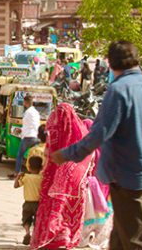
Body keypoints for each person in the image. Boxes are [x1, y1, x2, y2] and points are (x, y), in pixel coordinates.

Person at [52, 41, 142, 250]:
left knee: (136, 238)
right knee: (121, 234)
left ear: (110, 63)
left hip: (125, 177)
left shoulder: (118, 91)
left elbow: (100, 133)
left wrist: (68, 154)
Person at [31, 103, 94, 249]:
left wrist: (46, 174)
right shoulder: (81, 133)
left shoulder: (56, 129)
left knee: (56, 208)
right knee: (71, 210)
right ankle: (67, 238)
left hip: (59, 177)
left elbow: (49, 154)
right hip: (78, 179)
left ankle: (53, 238)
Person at [16, 155, 44, 246]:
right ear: (41, 167)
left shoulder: (26, 177)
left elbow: (16, 186)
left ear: (29, 166)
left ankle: (27, 232)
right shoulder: (42, 178)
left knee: (26, 219)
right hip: (38, 204)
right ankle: (36, 237)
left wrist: (18, 177)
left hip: (27, 203)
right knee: (37, 222)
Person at [14, 93, 41, 178]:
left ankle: (17, 173)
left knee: (20, 155)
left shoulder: (28, 112)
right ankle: (35, 172)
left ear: (26, 102)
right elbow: (32, 125)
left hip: (28, 137)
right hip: (35, 136)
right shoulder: (36, 112)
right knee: (34, 156)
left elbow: (30, 125)